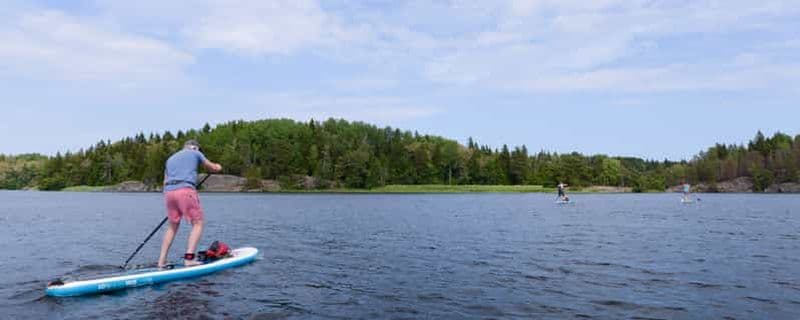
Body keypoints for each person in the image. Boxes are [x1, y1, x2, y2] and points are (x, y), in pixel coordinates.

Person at [158, 140, 222, 268]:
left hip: (169, 193)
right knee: (198, 223)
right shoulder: (195, 153)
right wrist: (218, 166)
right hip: (185, 191)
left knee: (172, 226)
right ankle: (189, 259)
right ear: (195, 147)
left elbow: (165, 181)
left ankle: (161, 261)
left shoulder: (170, 159)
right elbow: (212, 167)